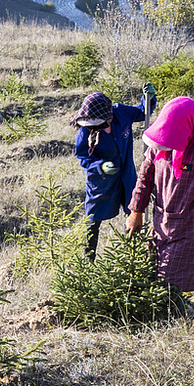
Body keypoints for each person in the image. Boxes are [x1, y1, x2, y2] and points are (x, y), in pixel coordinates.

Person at [128, 95, 194, 293]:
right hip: (161, 222)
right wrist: (136, 213)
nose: (166, 145)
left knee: (171, 283)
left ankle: (180, 312)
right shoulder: (157, 147)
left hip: (191, 227)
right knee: (150, 273)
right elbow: (144, 180)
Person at [70, 84, 154, 259]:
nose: (95, 127)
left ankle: (134, 256)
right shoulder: (85, 131)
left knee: (133, 211)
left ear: (107, 116)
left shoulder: (121, 113)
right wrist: (100, 166)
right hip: (101, 183)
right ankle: (88, 260)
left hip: (126, 176)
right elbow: (83, 158)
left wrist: (148, 98)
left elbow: (142, 111)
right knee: (93, 219)